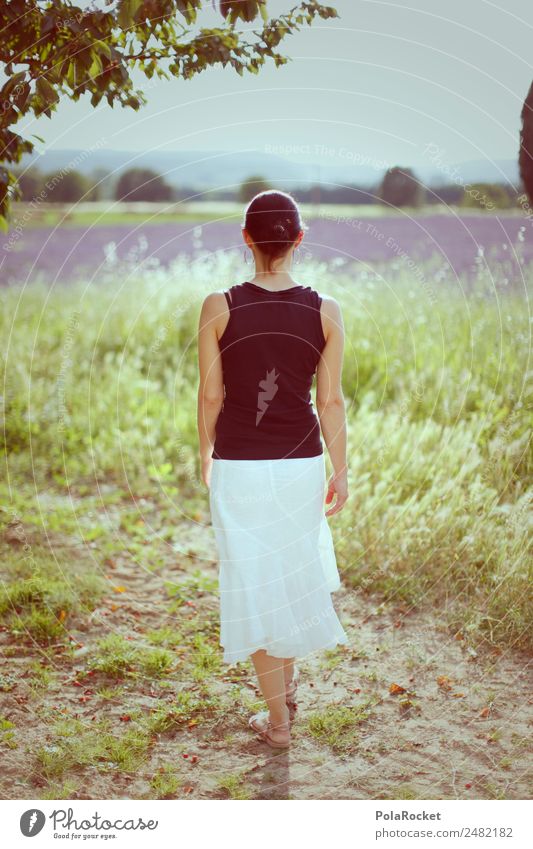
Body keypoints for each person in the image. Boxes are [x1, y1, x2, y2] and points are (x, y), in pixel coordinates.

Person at [197, 190, 349, 749]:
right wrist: (343, 470)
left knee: (256, 583)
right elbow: (331, 403)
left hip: (238, 464)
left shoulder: (219, 306)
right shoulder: (324, 310)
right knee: (284, 576)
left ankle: (279, 724)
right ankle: (281, 696)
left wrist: (205, 453)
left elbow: (210, 396)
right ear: (299, 240)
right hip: (301, 465)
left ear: (247, 238)